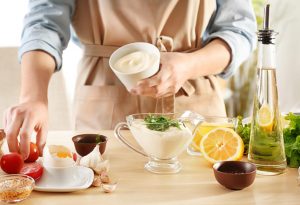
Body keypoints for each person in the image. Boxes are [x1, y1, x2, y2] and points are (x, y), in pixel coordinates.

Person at [3, 0, 256, 159]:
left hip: (192, 93)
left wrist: (188, 65)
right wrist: (33, 98)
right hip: (104, 96)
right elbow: (44, 24)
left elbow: (239, 31)